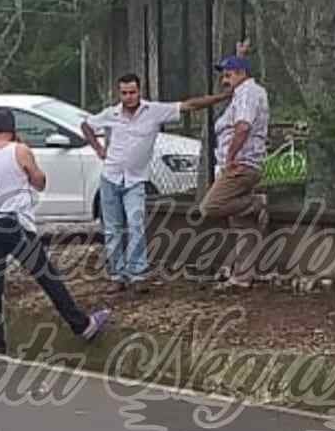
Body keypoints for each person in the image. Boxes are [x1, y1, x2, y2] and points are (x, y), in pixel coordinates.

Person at [0, 108, 111, 355]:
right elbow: (40, 182)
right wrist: (28, 159)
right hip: (15, 225)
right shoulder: (20, 150)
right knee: (47, 277)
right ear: (13, 129)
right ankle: (82, 325)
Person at [80, 74, 232, 293]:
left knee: (135, 223)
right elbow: (86, 125)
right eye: (124, 93)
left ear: (139, 91)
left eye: (132, 92)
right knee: (112, 229)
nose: (128, 97)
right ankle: (117, 274)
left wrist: (220, 97)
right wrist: (98, 148)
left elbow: (188, 105)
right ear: (119, 93)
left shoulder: (153, 111)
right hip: (111, 176)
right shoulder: (111, 114)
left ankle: (137, 273)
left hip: (135, 179)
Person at [199, 53, 270, 291]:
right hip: (243, 163)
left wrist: (230, 157)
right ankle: (243, 276)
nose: (224, 80)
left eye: (228, 75)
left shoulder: (248, 93)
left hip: (240, 165)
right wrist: (240, 53)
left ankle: (256, 203)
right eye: (223, 75)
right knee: (243, 225)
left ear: (242, 74)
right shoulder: (245, 92)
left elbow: (243, 127)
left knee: (211, 206)